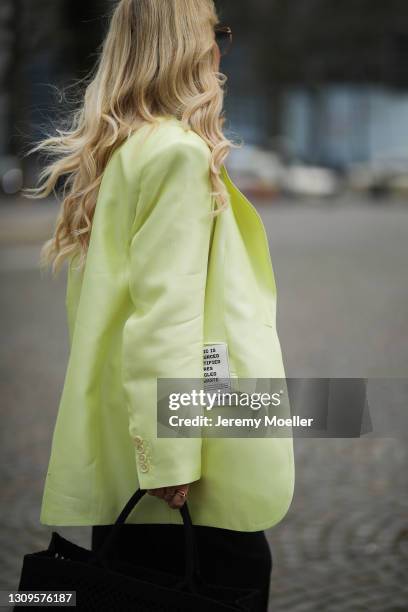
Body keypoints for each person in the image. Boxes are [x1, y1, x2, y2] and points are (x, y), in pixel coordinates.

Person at [25, 1, 294, 609]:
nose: (222, 49)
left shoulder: (125, 150)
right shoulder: (177, 155)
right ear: (190, 46)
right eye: (216, 33)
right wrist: (169, 461)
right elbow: (164, 318)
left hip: (135, 444)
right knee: (229, 577)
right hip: (180, 466)